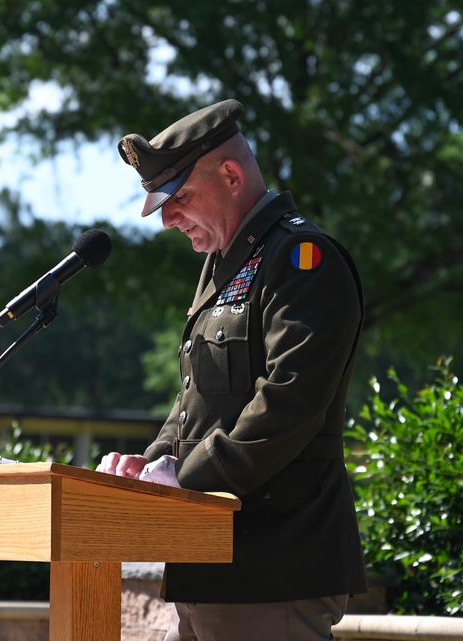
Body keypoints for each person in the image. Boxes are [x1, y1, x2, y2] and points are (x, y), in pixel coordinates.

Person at [97, 99, 368, 641]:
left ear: (231, 174)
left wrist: (187, 480)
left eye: (180, 198)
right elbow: (196, 398)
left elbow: (289, 401)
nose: (168, 218)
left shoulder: (301, 260)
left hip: (273, 567)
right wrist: (149, 468)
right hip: (211, 565)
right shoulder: (228, 264)